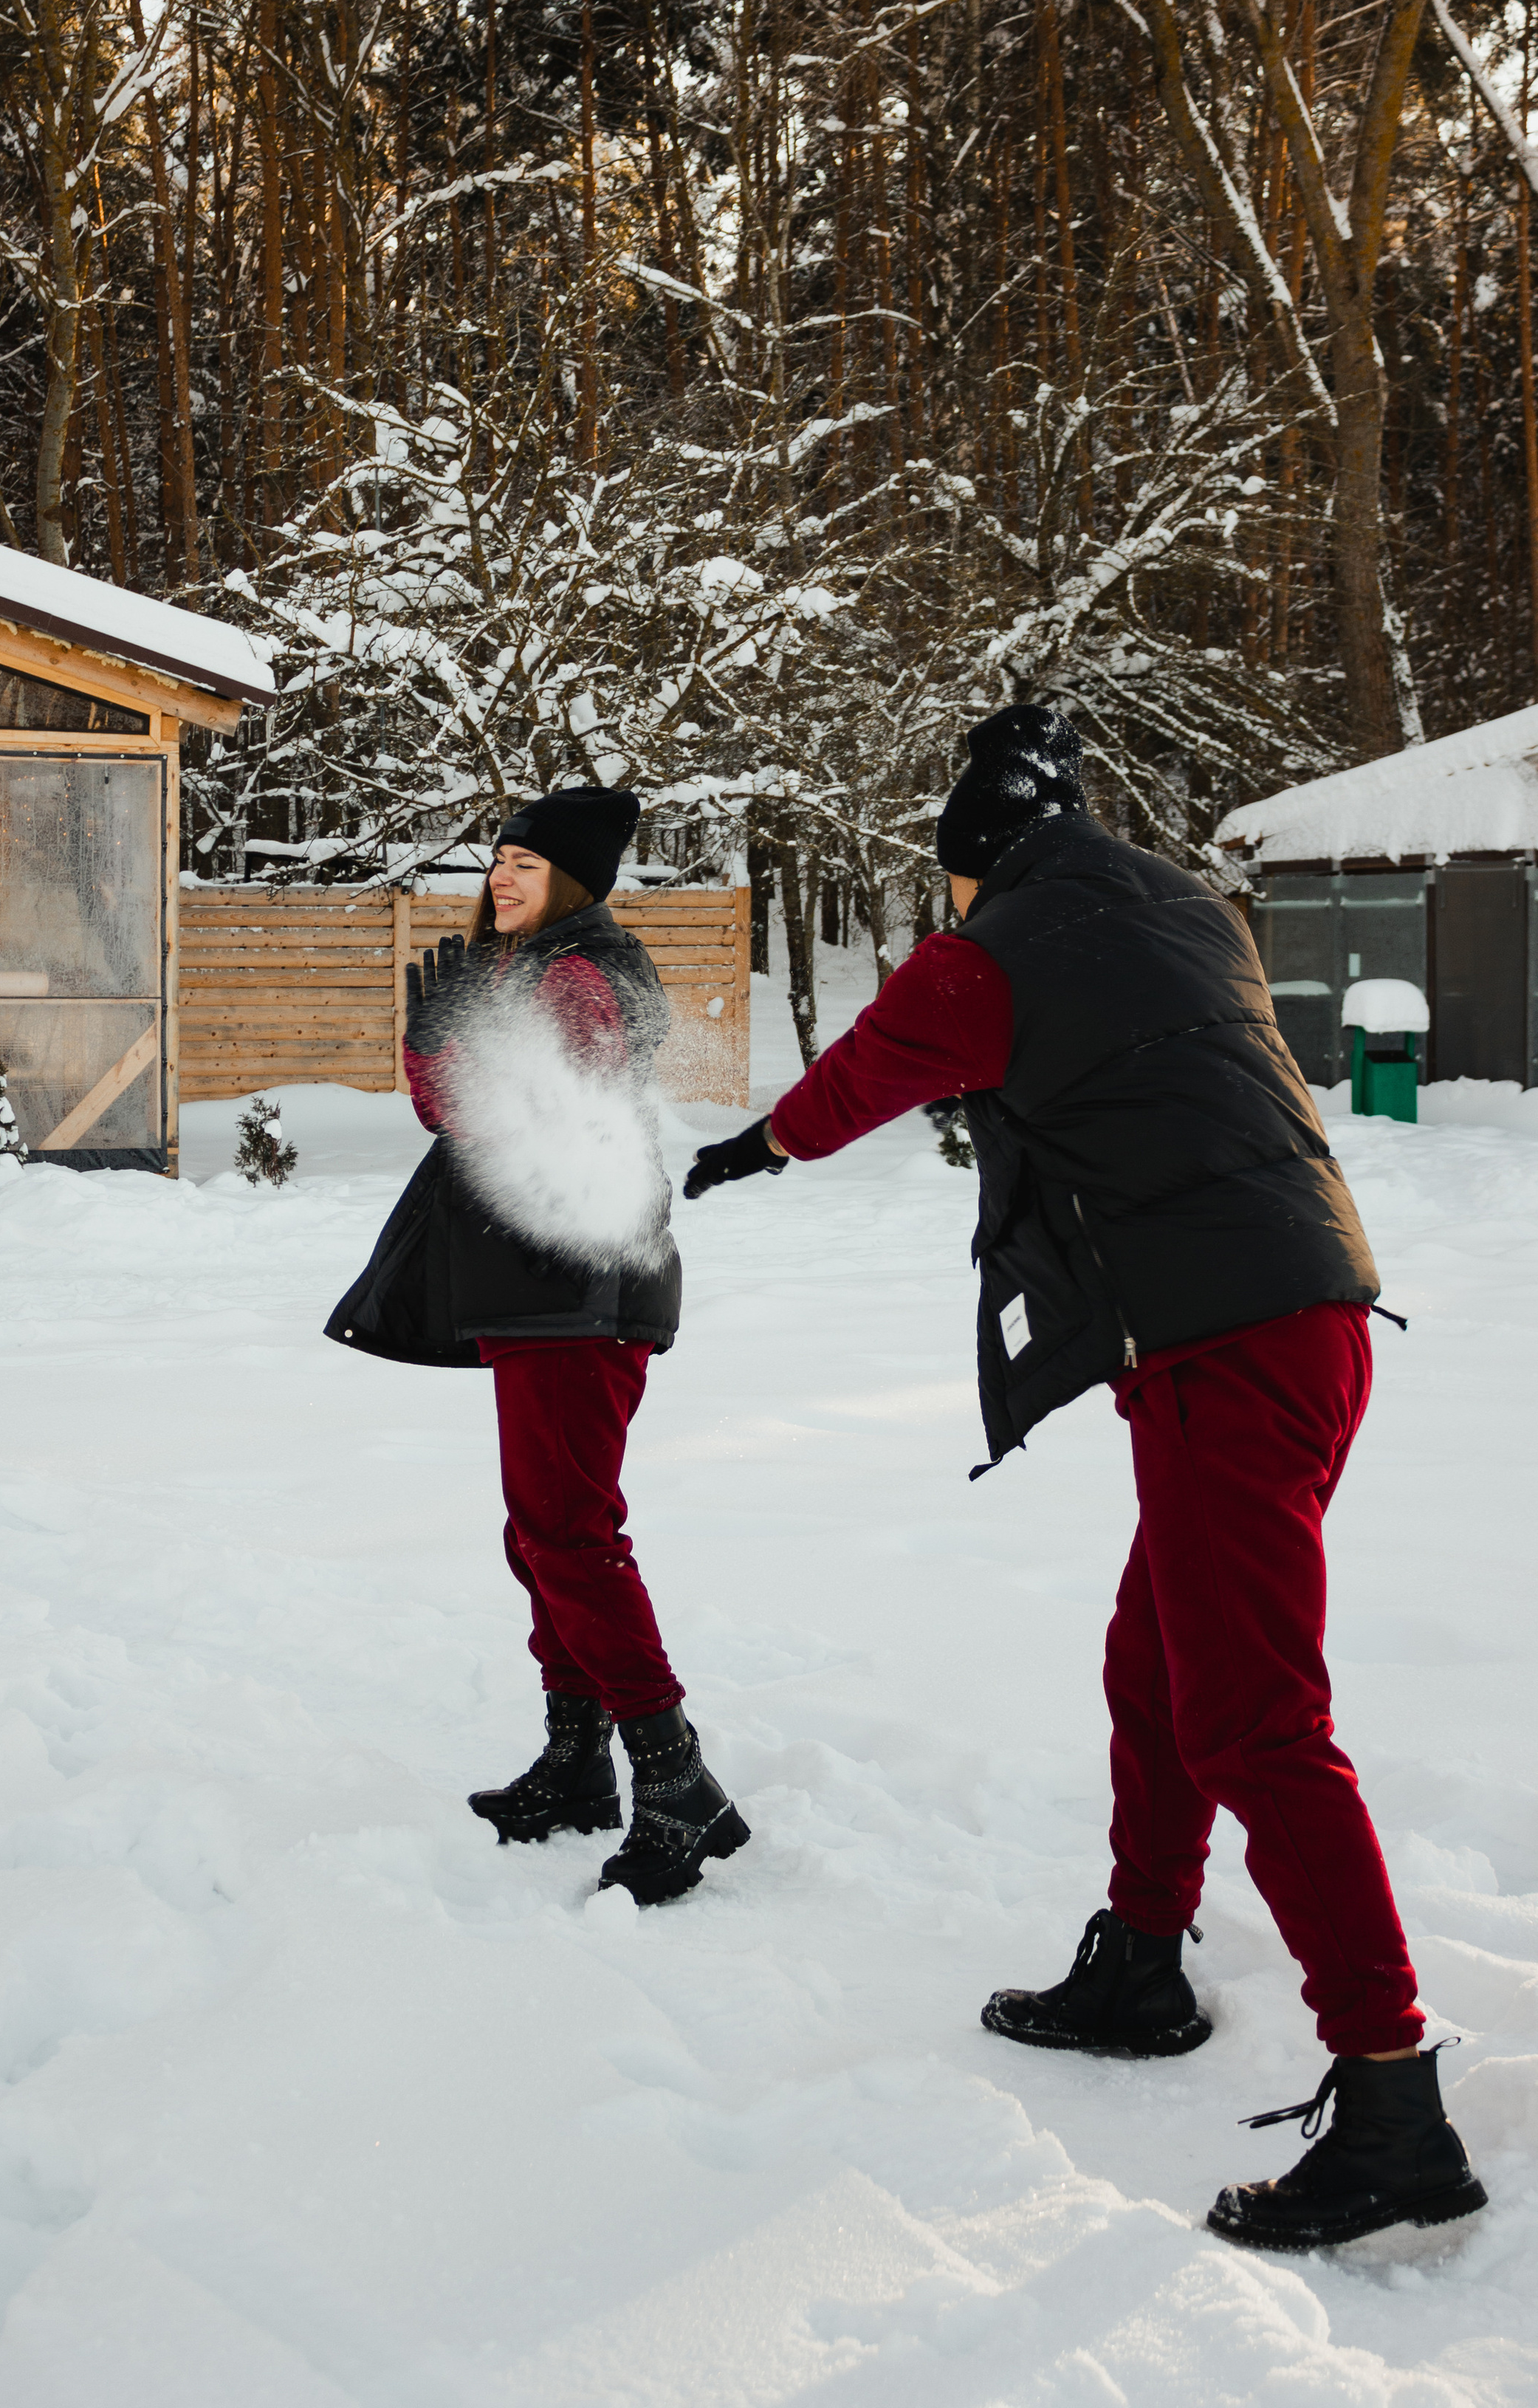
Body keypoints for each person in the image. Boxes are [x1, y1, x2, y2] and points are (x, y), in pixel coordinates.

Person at [684, 707, 1486, 2252]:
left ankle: (1389, 2099)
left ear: (972, 865)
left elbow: (859, 1077)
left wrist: (755, 1149)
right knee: (1156, 1658)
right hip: (1312, 1318)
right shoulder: (1187, 907)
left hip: (1218, 1348)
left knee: (1253, 1713)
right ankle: (1138, 1956)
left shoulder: (984, 955)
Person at [329, 783, 750, 1906]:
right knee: (543, 1530)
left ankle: (676, 1779)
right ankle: (577, 1760)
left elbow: (532, 1114)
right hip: (544, 1289)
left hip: (582, 1288)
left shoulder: (578, 974)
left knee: (570, 1530)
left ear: (572, 881)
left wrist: (442, 1050)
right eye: (496, 859)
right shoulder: (528, 971)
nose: (499, 876)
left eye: (524, 862)